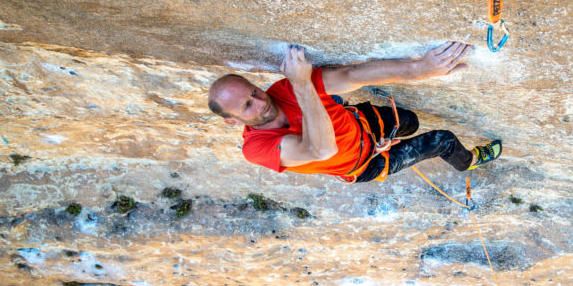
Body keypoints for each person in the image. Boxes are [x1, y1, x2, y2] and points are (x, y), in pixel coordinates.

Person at [207, 41, 502, 182]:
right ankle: (470, 161)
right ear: (233, 121)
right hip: (365, 163)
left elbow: (351, 75)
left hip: (362, 123)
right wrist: (302, 85)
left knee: (411, 121)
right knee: (443, 140)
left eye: (254, 92)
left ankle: (400, 130)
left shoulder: (281, 90)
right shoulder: (256, 148)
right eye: (247, 105)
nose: (261, 102)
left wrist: (420, 69)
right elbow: (320, 150)